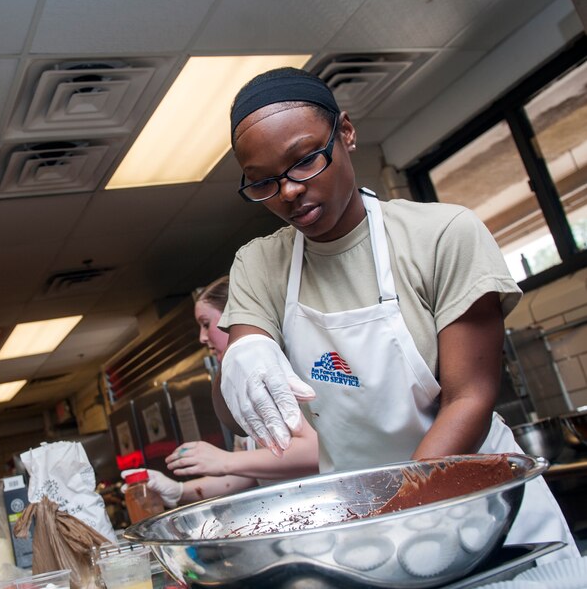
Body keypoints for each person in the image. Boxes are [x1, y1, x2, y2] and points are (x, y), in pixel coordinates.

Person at [213, 66, 578, 560]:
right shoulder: (260, 264)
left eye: (304, 161)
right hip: (366, 522)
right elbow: (240, 406)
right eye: (262, 183)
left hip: (484, 505)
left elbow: (469, 398)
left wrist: (398, 514)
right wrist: (241, 357)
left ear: (345, 132)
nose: (288, 191)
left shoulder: (442, 235)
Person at [121, 276, 318, 508]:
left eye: (206, 324)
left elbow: (314, 452)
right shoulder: (238, 385)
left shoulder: (282, 370)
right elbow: (245, 474)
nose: (202, 337)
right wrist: (178, 491)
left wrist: (225, 460)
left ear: (234, 318)